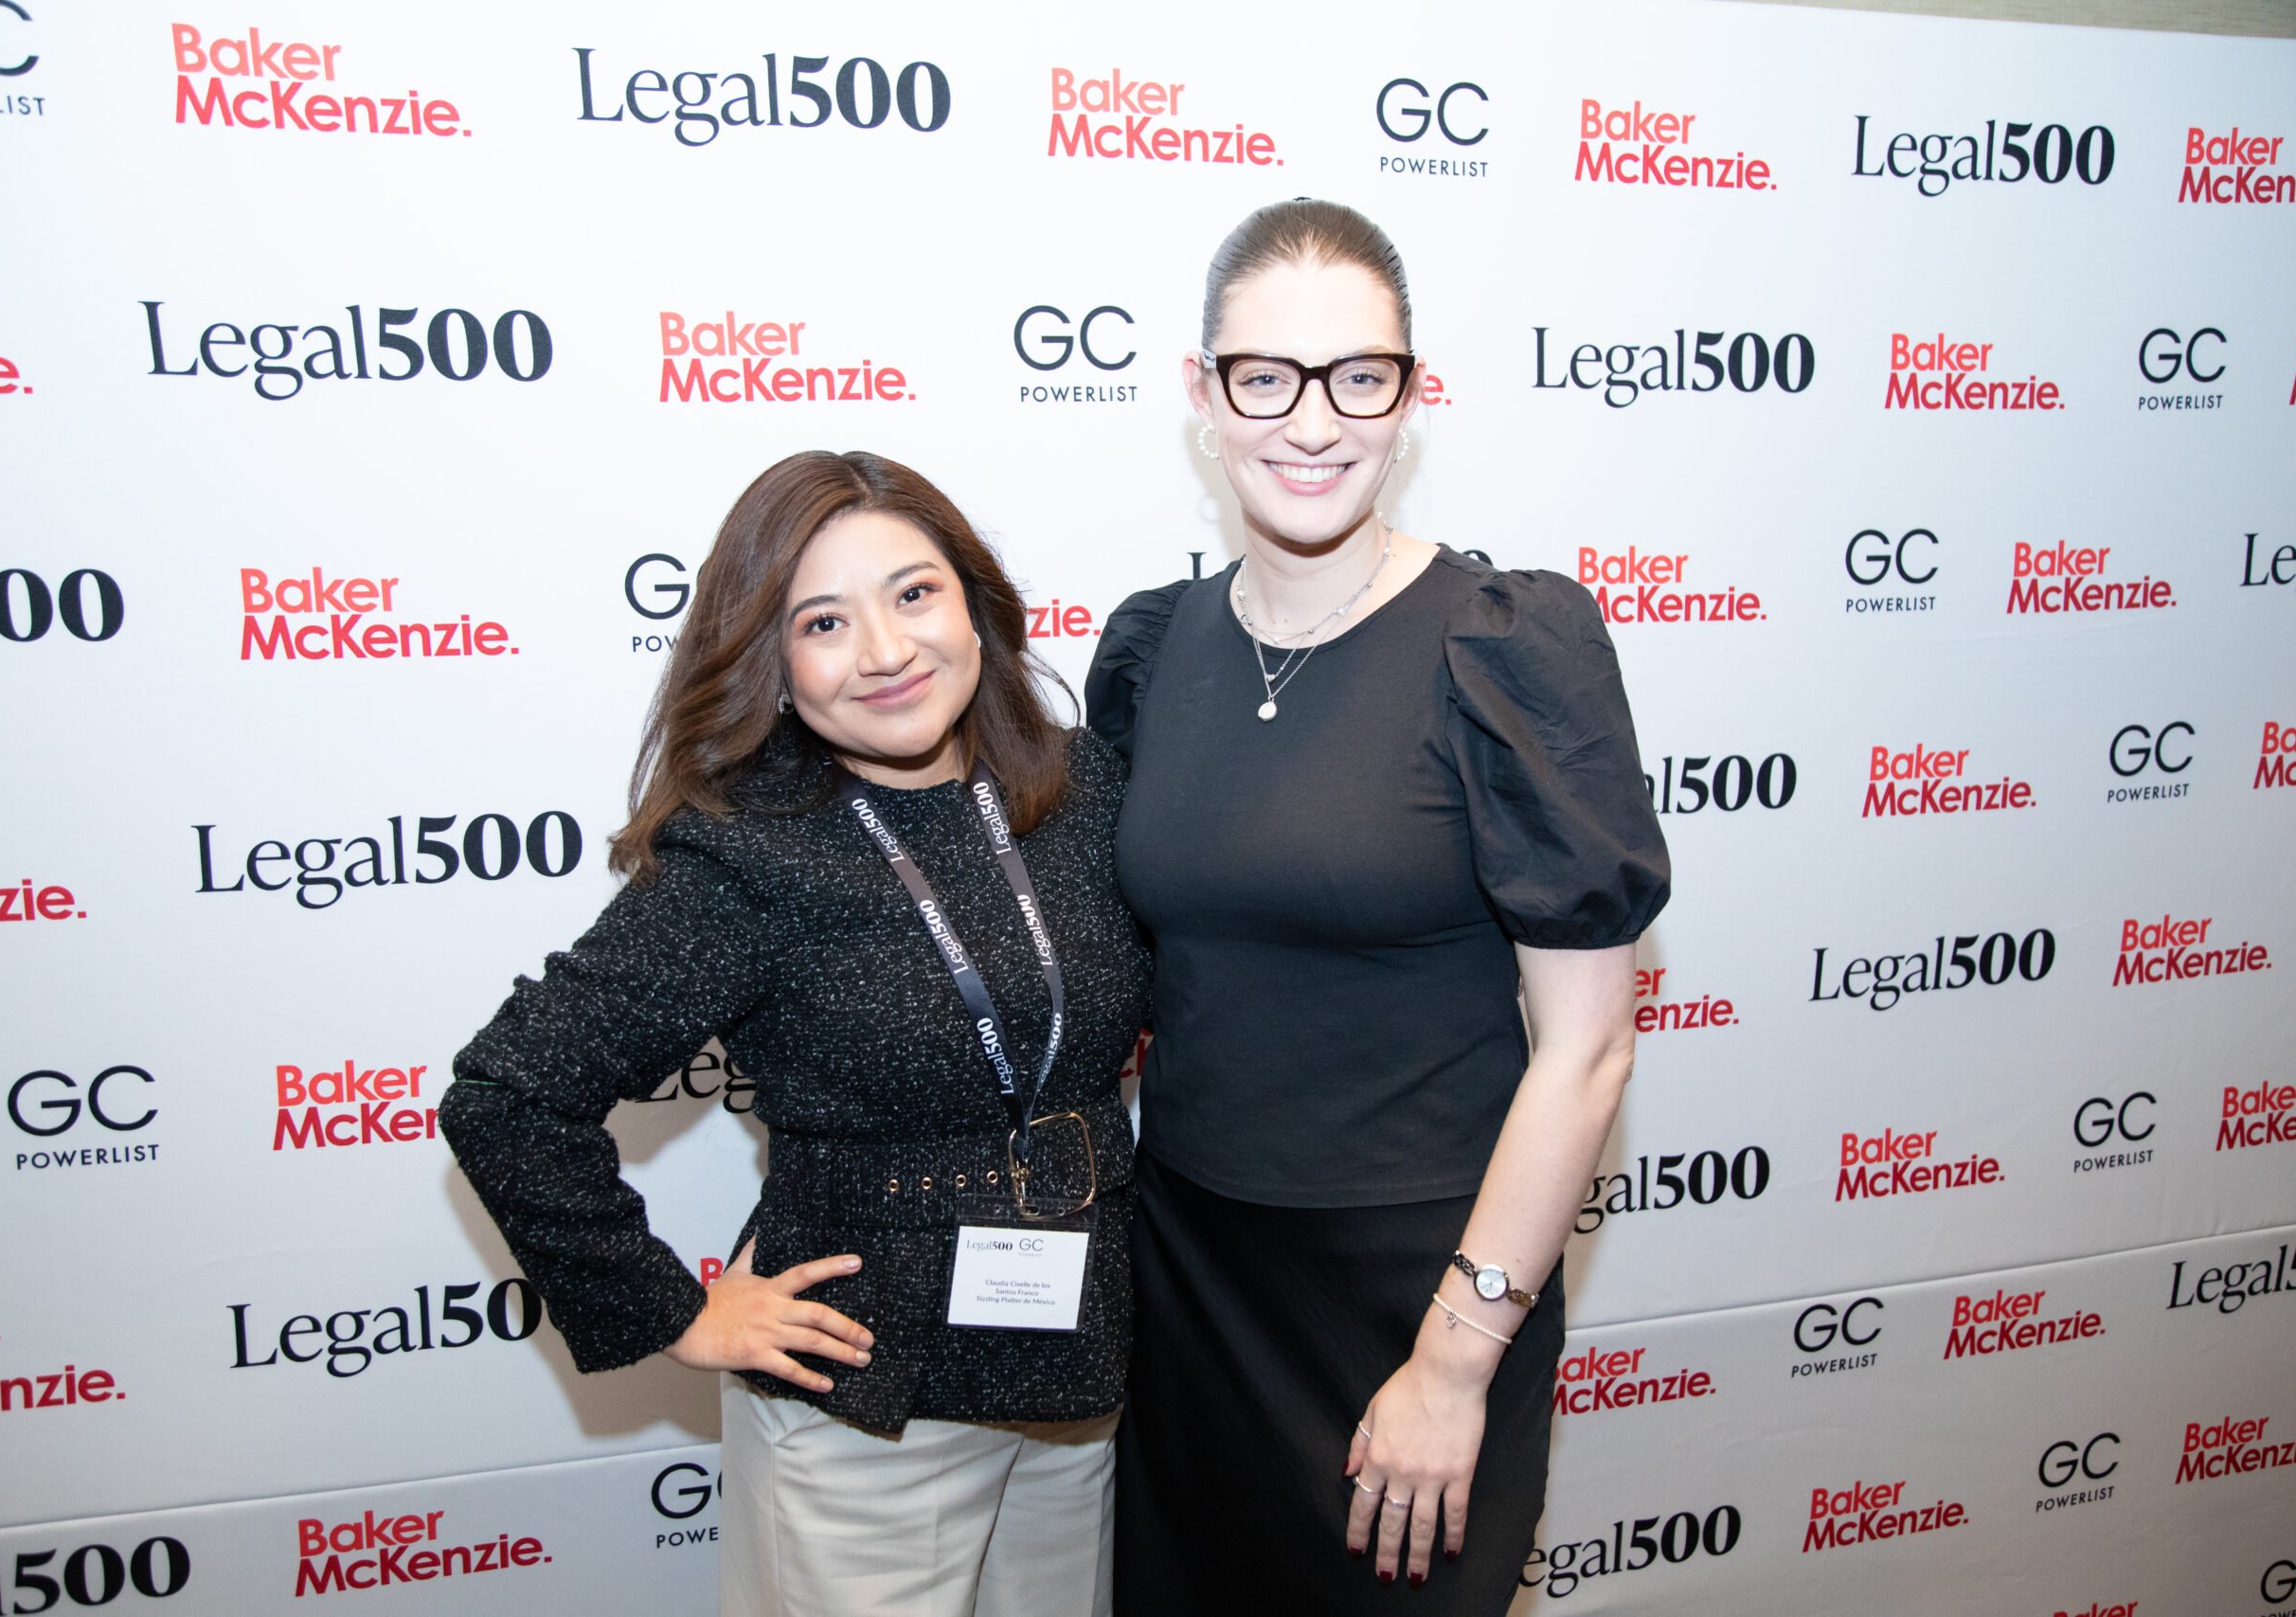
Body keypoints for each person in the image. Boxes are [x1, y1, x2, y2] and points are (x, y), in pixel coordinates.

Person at [441, 450, 1151, 1617]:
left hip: (1076, 1380)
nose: (885, 649)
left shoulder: (1081, 791)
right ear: (771, 660)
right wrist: (673, 1310)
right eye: (823, 621)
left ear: (974, 602)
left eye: (914, 593)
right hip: (866, 1411)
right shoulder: (746, 853)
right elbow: (506, 1098)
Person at [1085, 200, 1671, 1612]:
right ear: (1201, 395)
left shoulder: (1509, 647)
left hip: (1421, 1289)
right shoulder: (1154, 648)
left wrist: (1455, 1362)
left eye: (1359, 376)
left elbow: (1588, 1047)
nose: (1312, 421)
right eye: (1265, 377)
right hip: (1193, 1279)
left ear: (1411, 397)